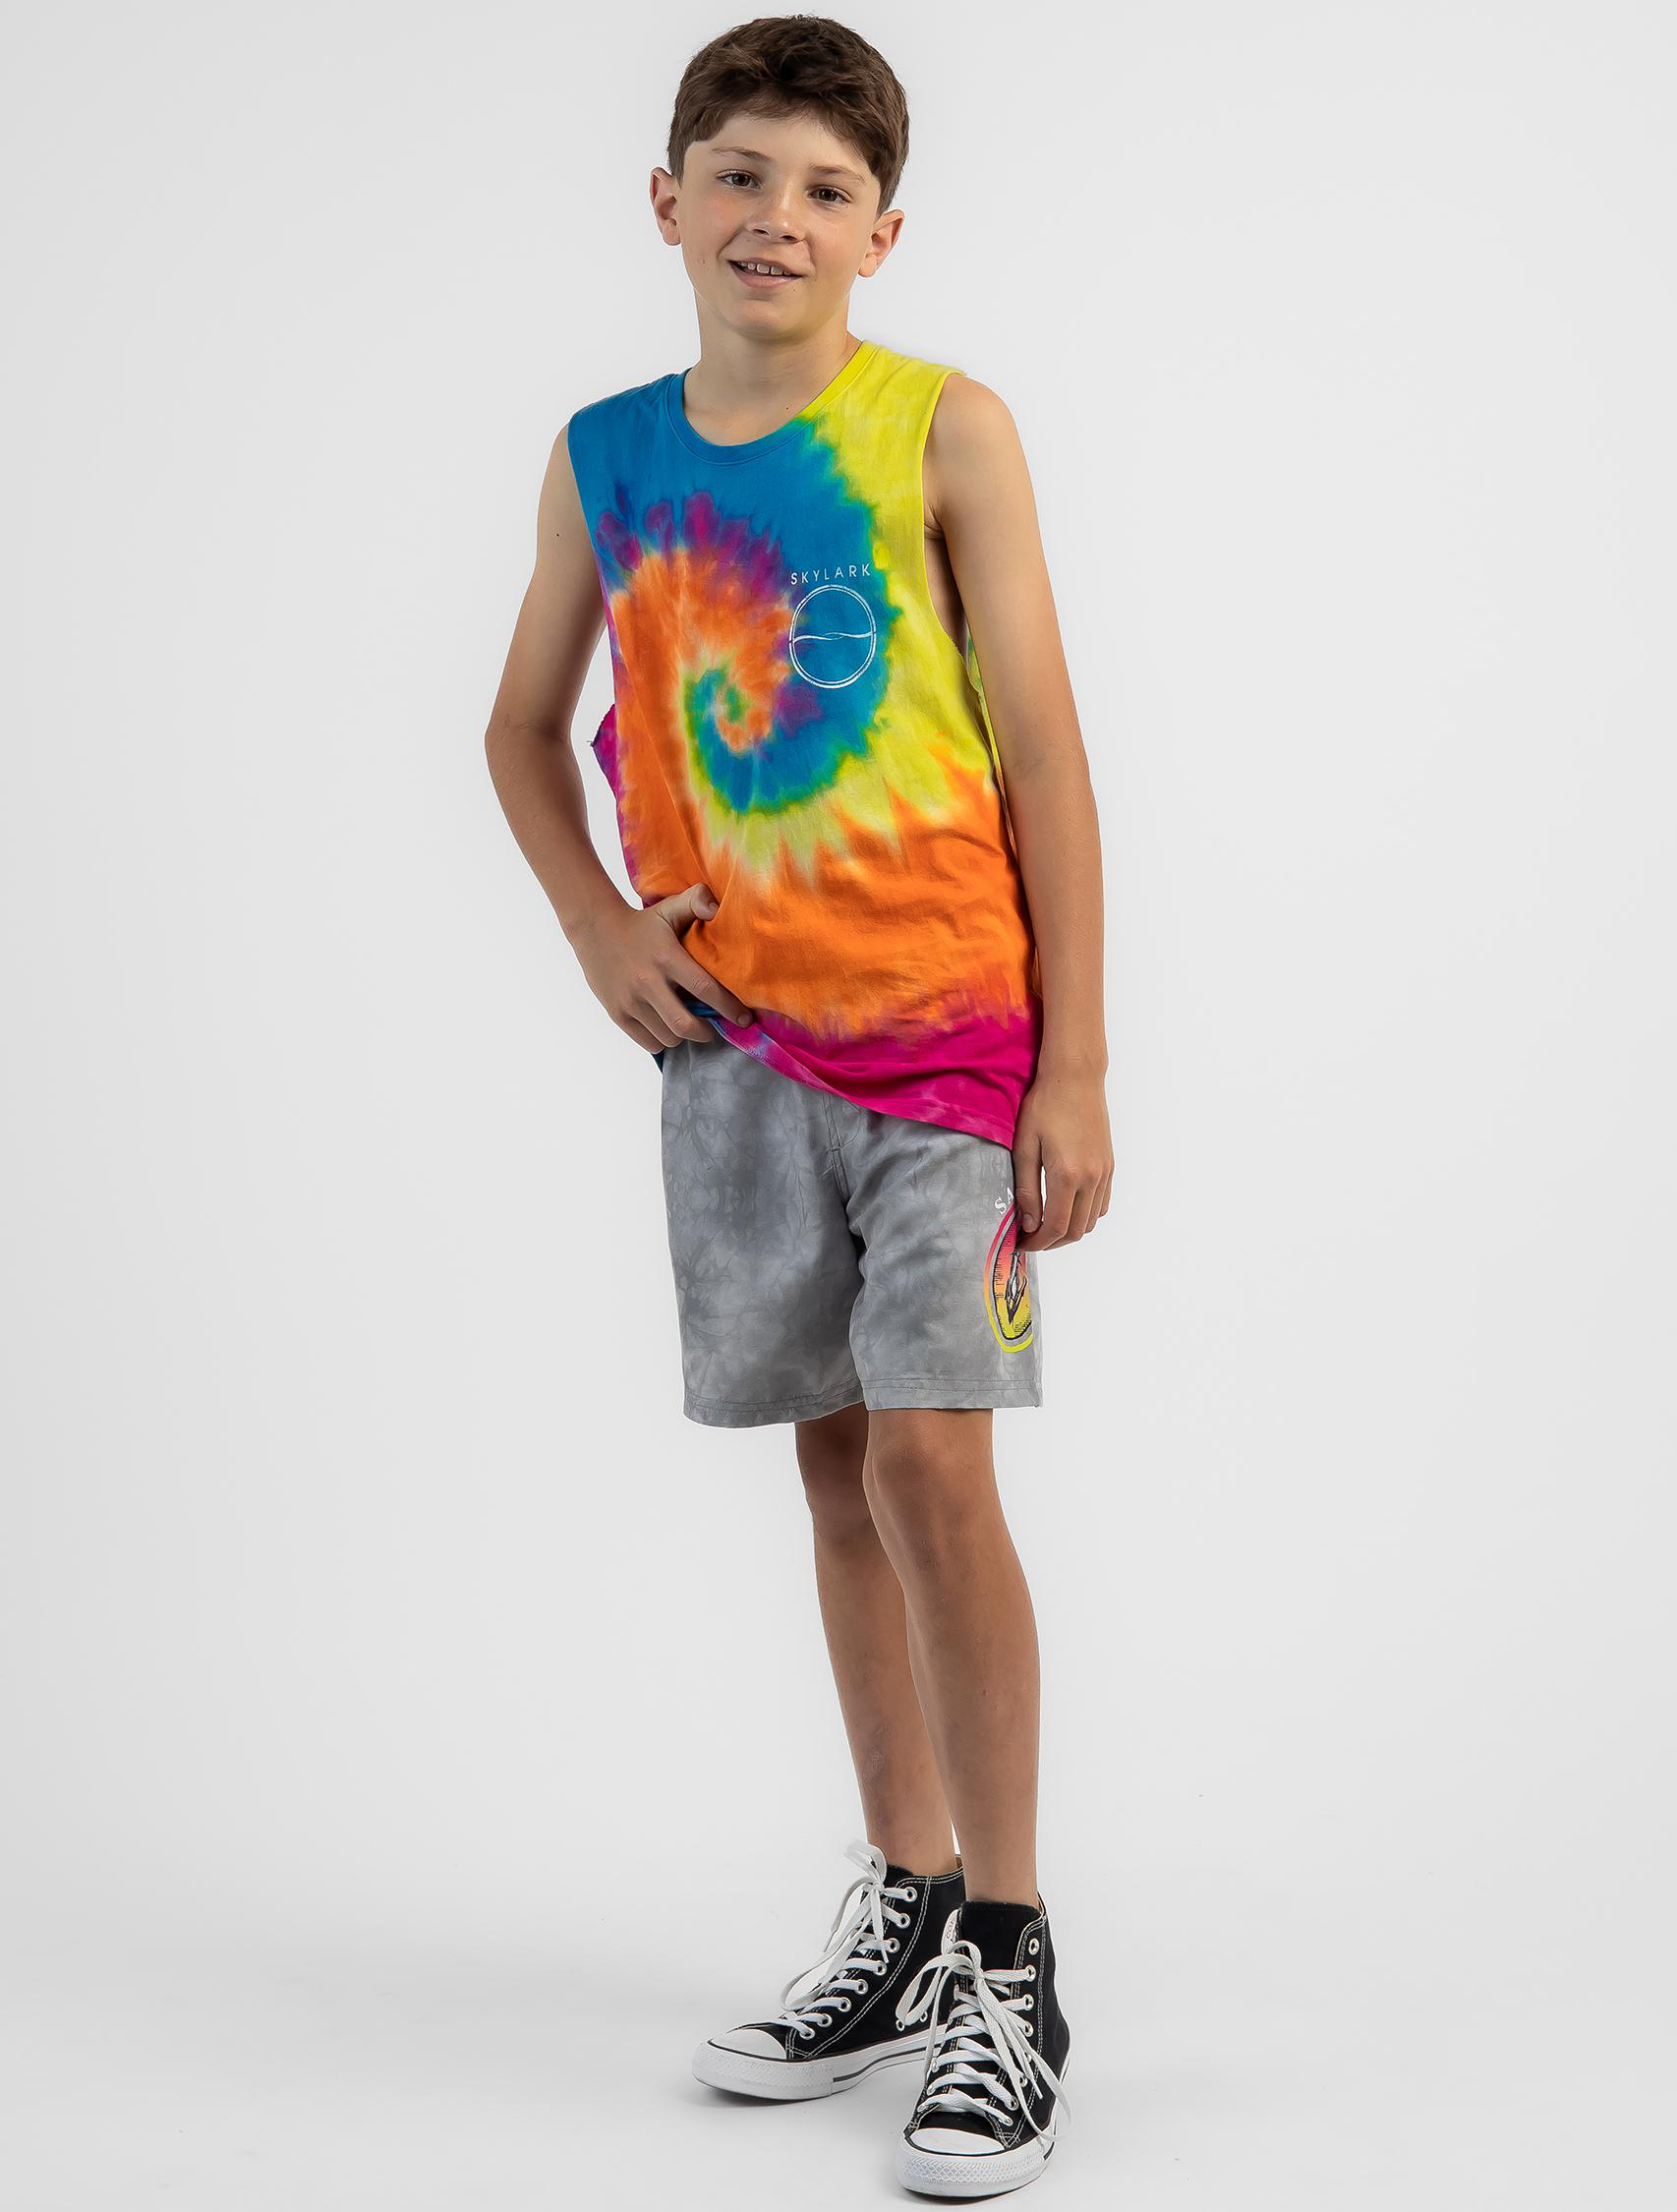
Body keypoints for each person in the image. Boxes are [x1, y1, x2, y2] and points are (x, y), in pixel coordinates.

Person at [484, 16, 1111, 2197]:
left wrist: (1077, 1064)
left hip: (949, 1046)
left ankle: (1012, 1955)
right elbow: (517, 726)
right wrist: (598, 927)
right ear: (668, 203)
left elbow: (1043, 752)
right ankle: (908, 1891)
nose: (779, 217)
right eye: (740, 175)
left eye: (827, 190)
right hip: (737, 1051)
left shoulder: (944, 430)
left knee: (937, 1459)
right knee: (838, 1474)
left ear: (882, 233)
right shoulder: (604, 455)